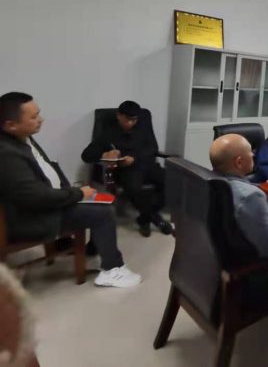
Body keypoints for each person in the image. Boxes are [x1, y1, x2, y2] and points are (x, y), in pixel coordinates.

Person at [0, 92, 141, 288]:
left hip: (49, 201)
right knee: (103, 212)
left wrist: (73, 192)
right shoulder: (6, 154)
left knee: (105, 199)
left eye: (38, 113)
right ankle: (112, 269)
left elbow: (46, 170)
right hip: (31, 218)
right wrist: (78, 194)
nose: (41, 120)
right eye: (33, 117)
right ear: (11, 125)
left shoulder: (23, 138)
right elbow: (35, 197)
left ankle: (92, 247)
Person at [81, 100, 172, 238]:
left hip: (147, 165)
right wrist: (104, 155)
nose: (130, 123)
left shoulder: (143, 128)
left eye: (134, 120)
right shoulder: (109, 133)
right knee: (133, 187)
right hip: (127, 170)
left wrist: (134, 157)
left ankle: (146, 217)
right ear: (119, 115)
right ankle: (155, 218)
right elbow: (86, 155)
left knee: (172, 182)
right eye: (127, 119)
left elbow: (153, 148)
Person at [209, 134, 268, 256]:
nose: (253, 155)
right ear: (239, 162)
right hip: (254, 261)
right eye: (250, 152)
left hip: (221, 251)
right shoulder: (251, 196)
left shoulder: (208, 182)